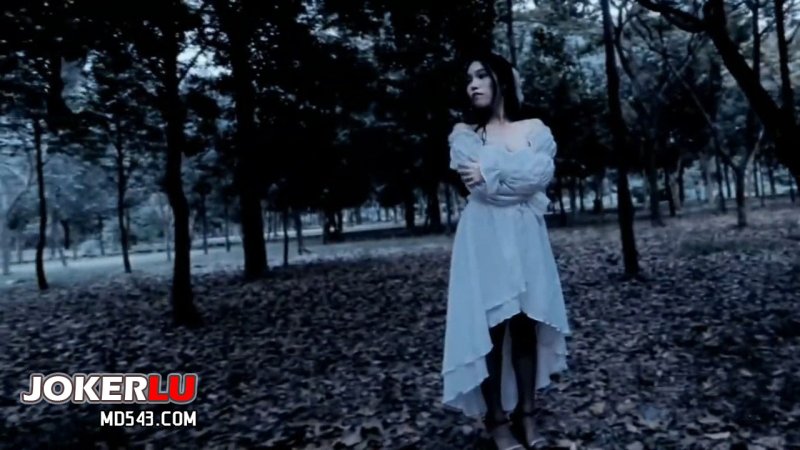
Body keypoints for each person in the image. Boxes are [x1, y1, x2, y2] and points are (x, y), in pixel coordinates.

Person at [440, 52, 572, 450]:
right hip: (483, 236)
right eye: (469, 79)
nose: (473, 85)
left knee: (526, 323)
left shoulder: (534, 128)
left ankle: (527, 416)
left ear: (502, 79)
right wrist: (511, 172)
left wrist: (493, 170)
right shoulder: (464, 135)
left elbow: (540, 176)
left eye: (482, 75)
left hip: (526, 236)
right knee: (493, 326)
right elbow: (482, 189)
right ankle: (497, 421)